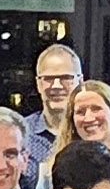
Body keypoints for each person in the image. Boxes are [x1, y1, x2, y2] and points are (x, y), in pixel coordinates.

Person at [23, 44, 85, 180]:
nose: (56, 86)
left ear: (80, 82)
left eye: (65, 78)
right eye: (48, 79)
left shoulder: (91, 133)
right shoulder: (20, 134)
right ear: (38, 84)